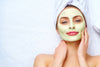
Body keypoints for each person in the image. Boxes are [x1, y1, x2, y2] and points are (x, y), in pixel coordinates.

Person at [33, 4, 100, 67]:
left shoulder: (97, 61)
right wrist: (57, 61)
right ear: (57, 29)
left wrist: (82, 58)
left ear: (85, 26)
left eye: (77, 20)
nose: (71, 26)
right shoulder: (42, 60)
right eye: (64, 22)